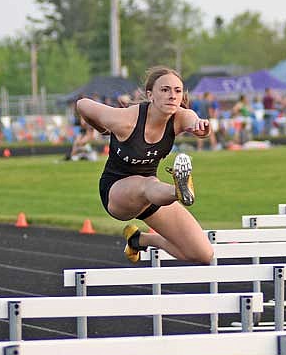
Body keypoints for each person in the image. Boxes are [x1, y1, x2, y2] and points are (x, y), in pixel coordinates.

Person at [76, 65, 214, 265]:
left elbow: (193, 119)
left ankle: (140, 239)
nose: (172, 96)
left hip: (152, 197)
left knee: (202, 254)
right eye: (165, 90)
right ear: (151, 95)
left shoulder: (180, 117)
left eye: (177, 91)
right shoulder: (124, 121)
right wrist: (102, 128)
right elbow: (82, 104)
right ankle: (178, 190)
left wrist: (200, 127)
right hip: (117, 193)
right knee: (148, 183)